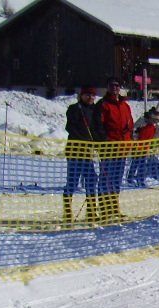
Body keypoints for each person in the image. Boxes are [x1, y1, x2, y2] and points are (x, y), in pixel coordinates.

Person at [63, 85, 104, 225]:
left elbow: (97, 128)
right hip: (75, 151)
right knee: (72, 181)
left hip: (88, 152)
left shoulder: (95, 110)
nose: (90, 98)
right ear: (81, 96)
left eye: (92, 95)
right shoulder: (74, 109)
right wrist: (83, 139)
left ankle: (91, 210)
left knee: (91, 179)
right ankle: (67, 210)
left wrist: (98, 142)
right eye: (87, 95)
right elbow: (70, 127)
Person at [97, 78, 134, 223]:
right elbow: (98, 125)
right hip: (109, 148)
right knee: (106, 179)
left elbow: (130, 124)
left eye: (117, 85)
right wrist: (104, 140)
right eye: (111, 85)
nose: (114, 88)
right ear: (107, 87)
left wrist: (130, 137)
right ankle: (104, 209)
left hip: (122, 148)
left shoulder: (125, 105)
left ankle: (114, 208)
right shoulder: (103, 104)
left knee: (117, 179)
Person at [126, 108, 159, 187]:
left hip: (145, 148)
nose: (155, 122)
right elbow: (133, 131)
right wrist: (135, 138)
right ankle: (130, 179)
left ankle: (140, 180)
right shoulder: (142, 123)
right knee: (135, 163)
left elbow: (156, 136)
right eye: (155, 121)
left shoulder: (153, 127)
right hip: (137, 147)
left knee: (142, 164)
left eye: (157, 121)